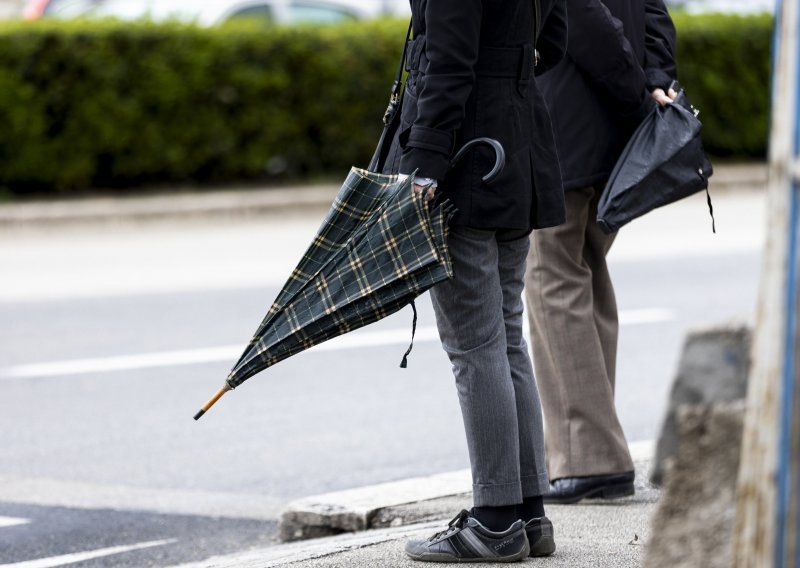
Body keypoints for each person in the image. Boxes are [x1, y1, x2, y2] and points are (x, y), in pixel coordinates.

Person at [381, 0, 568, 562]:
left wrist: (425, 162)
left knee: (475, 345)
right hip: (519, 145)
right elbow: (553, 41)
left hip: (466, 156)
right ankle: (529, 515)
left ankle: (493, 523)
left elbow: (447, 58)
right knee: (506, 339)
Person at [524, 0, 678, 504]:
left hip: (568, 121)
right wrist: (654, 78)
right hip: (611, 124)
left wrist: (636, 89)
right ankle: (593, 451)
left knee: (552, 277)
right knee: (585, 272)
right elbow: (652, 12)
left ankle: (588, 459)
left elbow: (581, 18)